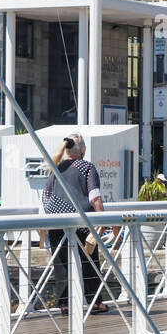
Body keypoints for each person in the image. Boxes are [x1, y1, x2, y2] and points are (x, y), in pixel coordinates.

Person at [42, 132, 106, 314]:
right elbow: (95, 197)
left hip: (56, 220)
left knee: (61, 263)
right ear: (83, 150)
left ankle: (65, 304)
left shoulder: (56, 167)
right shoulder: (87, 167)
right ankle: (94, 301)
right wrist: (103, 219)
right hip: (80, 221)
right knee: (89, 260)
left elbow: (46, 194)